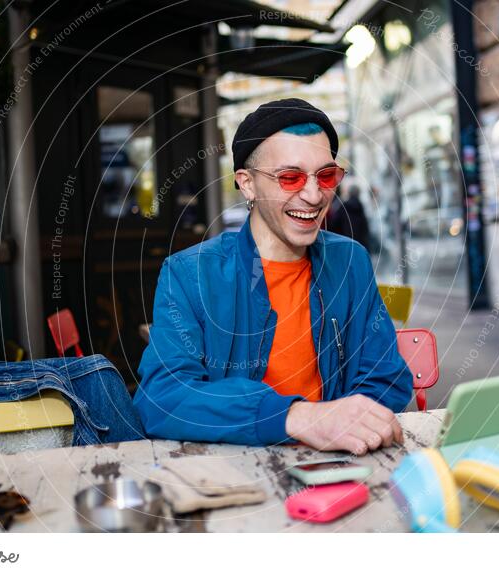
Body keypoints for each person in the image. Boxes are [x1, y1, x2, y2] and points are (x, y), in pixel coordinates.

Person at [134, 98, 412, 456]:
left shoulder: (350, 260)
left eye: (326, 175)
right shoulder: (190, 274)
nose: (313, 195)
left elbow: (385, 375)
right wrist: (297, 418)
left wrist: (350, 424)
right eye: (289, 177)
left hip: (340, 462)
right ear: (246, 184)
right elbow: (162, 396)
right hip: (235, 472)